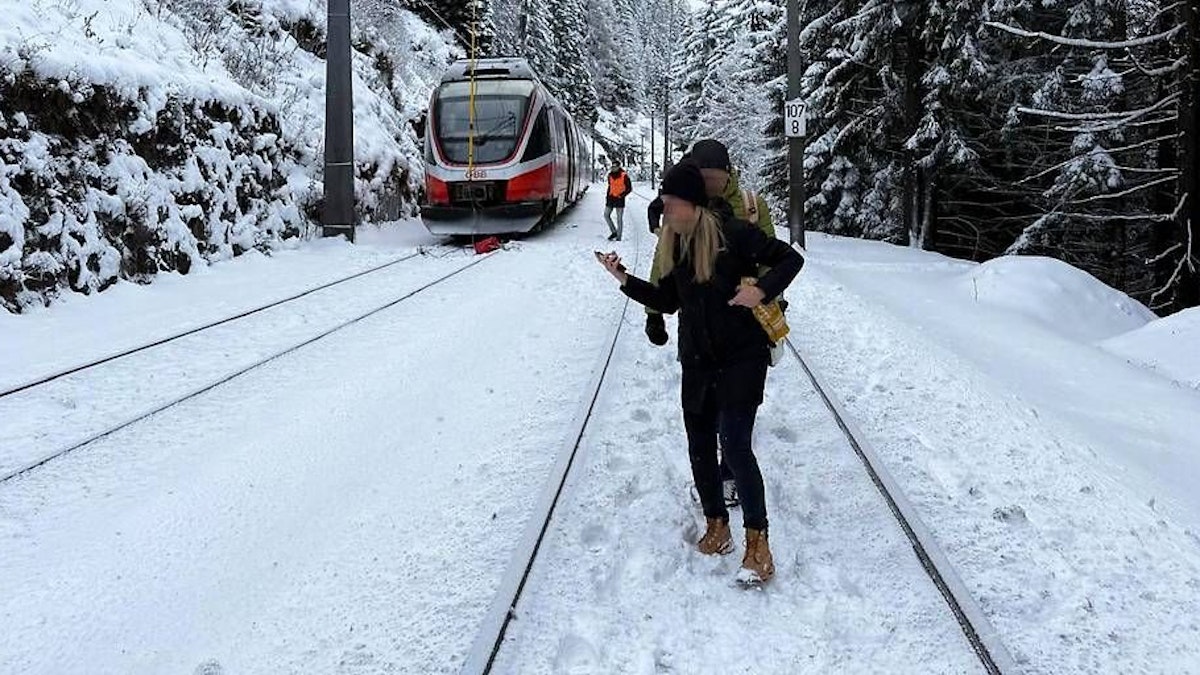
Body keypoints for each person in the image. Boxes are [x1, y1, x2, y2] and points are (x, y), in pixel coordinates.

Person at [596, 160, 804, 584]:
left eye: (670, 203)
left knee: (735, 444)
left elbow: (789, 258)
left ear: (691, 203)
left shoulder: (734, 235)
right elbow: (668, 300)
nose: (664, 211)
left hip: (741, 357)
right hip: (697, 360)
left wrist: (760, 290)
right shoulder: (679, 245)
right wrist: (622, 277)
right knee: (699, 446)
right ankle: (716, 526)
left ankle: (758, 545)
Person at [645, 139, 780, 508]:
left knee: (735, 414)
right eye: (702, 177)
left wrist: (768, 295)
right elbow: (665, 262)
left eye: (714, 177)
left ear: (728, 175)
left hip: (744, 325)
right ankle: (719, 480)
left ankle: (730, 474)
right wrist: (654, 314)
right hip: (699, 326)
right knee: (708, 410)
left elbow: (772, 254)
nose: (708, 184)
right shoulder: (686, 206)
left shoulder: (750, 207)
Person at [605, 160, 633, 241]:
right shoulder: (609, 175)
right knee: (606, 215)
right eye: (612, 166)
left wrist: (622, 195)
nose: (613, 168)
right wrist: (607, 197)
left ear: (618, 167)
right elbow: (610, 186)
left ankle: (619, 237)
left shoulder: (624, 175)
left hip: (619, 200)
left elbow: (629, 188)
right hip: (610, 198)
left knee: (619, 219)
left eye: (615, 166)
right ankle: (614, 232)